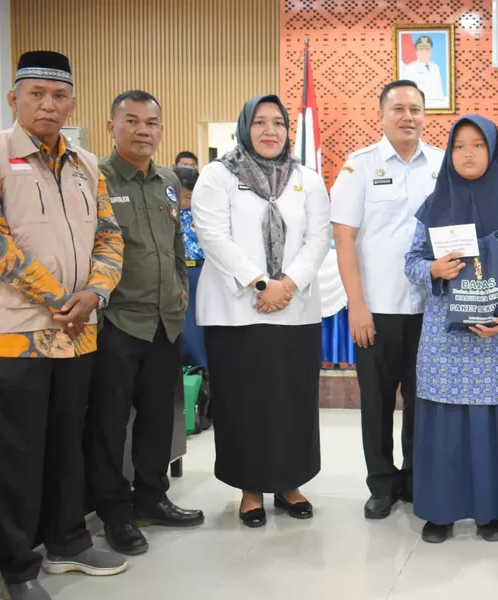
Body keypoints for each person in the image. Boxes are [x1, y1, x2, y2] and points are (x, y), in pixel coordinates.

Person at [0, 50, 128, 600]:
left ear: (73, 104)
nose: (48, 104)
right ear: (13, 99)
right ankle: (19, 568)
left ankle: (69, 542)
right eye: (36, 93)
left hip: (78, 333)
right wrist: (62, 296)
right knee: (15, 459)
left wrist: (95, 292)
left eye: (59, 95)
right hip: (12, 338)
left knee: (69, 448)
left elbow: (110, 237)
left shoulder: (87, 165)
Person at [192, 94, 330, 528]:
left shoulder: (307, 178)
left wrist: (286, 285)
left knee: (293, 400)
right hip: (237, 312)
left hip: (295, 310)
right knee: (244, 402)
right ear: (244, 126)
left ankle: (290, 484)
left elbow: (318, 238)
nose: (270, 131)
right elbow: (213, 236)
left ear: (289, 130)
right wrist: (260, 282)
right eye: (260, 122)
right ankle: (250, 490)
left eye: (278, 123)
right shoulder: (218, 175)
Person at [405, 115, 498, 544]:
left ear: (494, 151)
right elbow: (410, 263)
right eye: (459, 146)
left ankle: (491, 512)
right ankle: (440, 512)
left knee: (494, 425)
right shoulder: (433, 206)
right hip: (445, 340)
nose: (468, 154)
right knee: (444, 425)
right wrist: (432, 267)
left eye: (478, 146)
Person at [87, 90, 204, 558]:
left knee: (159, 420)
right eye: (131, 121)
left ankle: (152, 498)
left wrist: (179, 286)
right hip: (117, 322)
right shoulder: (93, 176)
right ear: (112, 125)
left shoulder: (169, 180)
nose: (142, 130)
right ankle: (114, 512)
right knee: (110, 426)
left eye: (151, 123)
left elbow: (177, 243)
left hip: (164, 323)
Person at [331, 80, 443, 521]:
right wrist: (356, 305)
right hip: (375, 309)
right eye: (398, 109)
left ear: (424, 116)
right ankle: (380, 482)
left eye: (415, 109)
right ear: (381, 116)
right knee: (376, 402)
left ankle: (415, 478)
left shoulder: (441, 164)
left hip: (429, 308)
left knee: (422, 399)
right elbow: (344, 241)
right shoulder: (359, 167)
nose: (408, 116)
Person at [174, 165, 208, 368]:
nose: (185, 202)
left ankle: (202, 371)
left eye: (190, 196)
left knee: (198, 326)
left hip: (200, 272)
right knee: (183, 326)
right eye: (182, 196)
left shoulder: (204, 212)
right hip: (176, 273)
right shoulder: (166, 211)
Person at [399, 36, 445, 109]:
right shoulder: (410, 68)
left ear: (431, 52)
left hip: (436, 104)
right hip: (416, 105)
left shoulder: (435, 67)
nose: (424, 53)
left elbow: (439, 90)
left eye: (427, 50)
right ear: (416, 52)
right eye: (421, 50)